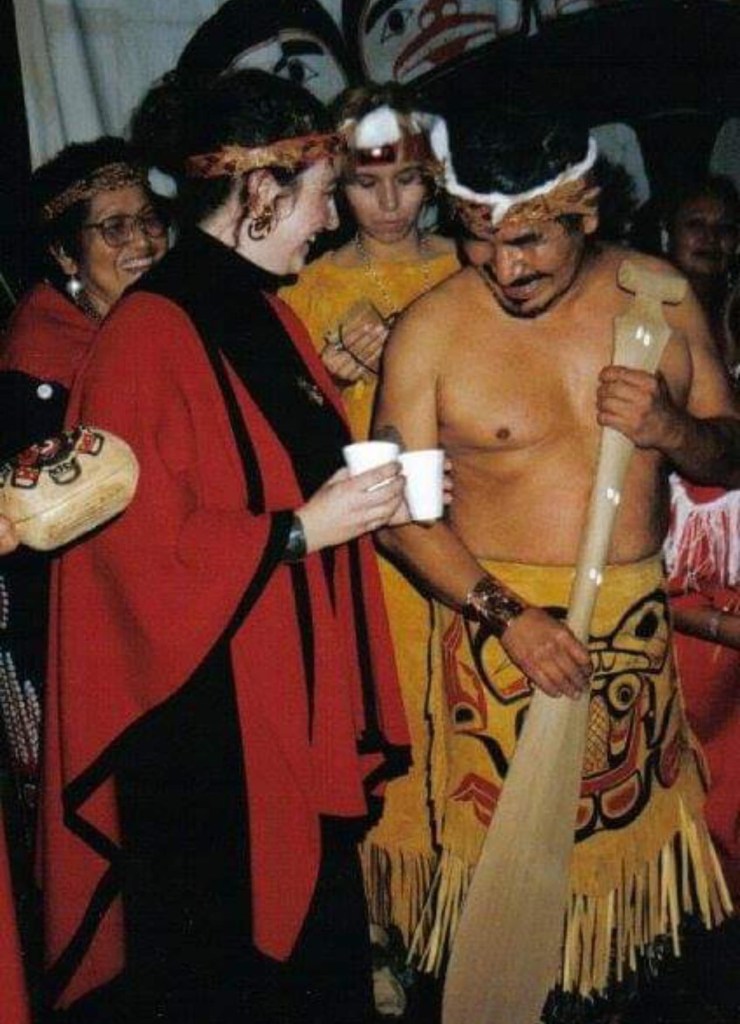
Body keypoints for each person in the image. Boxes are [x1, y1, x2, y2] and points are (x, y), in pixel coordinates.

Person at [40, 68, 410, 1024]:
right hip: (205, 737)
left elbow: (262, 465)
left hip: (283, 696)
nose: (330, 220)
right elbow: (125, 555)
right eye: (322, 194)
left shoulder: (265, 308)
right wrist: (301, 529)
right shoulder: (144, 333)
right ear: (259, 189)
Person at [373, 111, 740, 1016]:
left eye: (529, 240)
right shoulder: (431, 331)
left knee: (629, 917)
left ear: (585, 213)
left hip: (635, 641)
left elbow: (728, 453)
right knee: (508, 903)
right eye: (480, 239)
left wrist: (671, 429)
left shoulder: (661, 298)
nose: (504, 268)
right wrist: (510, 618)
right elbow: (399, 521)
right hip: (499, 644)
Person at [280, 82, 458, 1012]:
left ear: (436, 177)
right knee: (389, 727)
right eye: (364, 183)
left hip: (474, 539)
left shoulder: (475, 265)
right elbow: (274, 454)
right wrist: (324, 370)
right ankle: (387, 931)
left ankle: (471, 923)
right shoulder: (304, 286)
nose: (389, 204)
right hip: (366, 560)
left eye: (408, 181)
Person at [0, 137, 169, 846]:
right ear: (67, 257)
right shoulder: (40, 362)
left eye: (150, 220)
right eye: (114, 228)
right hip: (74, 624)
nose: (143, 242)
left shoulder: (153, 320)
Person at [633, 176, 740, 341]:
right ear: (668, 234)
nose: (711, 237)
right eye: (696, 225)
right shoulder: (640, 305)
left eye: (725, 228)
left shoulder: (734, 311)